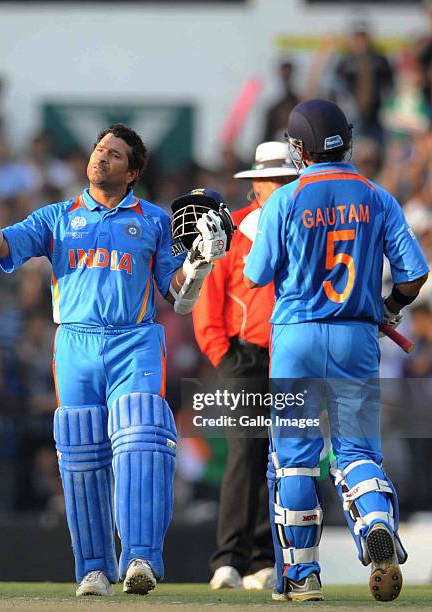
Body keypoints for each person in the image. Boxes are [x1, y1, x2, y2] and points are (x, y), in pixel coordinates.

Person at [0, 123, 231, 597]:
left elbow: (176, 297)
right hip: (75, 344)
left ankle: (139, 557)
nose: (102, 158)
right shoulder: (58, 216)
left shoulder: (155, 221)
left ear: (132, 171)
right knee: (80, 453)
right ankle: (94, 567)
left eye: (116, 155)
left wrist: (197, 265)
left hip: (133, 340)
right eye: (100, 150)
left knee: (141, 438)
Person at [243, 99, 428, 602]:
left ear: (298, 149)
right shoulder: (378, 197)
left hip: (296, 339)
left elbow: (256, 276)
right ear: (346, 140)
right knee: (358, 451)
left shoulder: (283, 200)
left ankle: (302, 577)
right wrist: (388, 306)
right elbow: (414, 277)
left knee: (295, 460)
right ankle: (373, 519)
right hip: (355, 338)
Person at [192, 142, 297, 590]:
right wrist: (224, 353)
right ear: (255, 185)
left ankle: (263, 558)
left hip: (292, 354)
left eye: (287, 181)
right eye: (274, 181)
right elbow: (206, 298)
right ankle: (229, 559)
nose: (281, 189)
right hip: (246, 354)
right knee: (244, 454)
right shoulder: (230, 230)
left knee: (285, 456)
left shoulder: (303, 228)